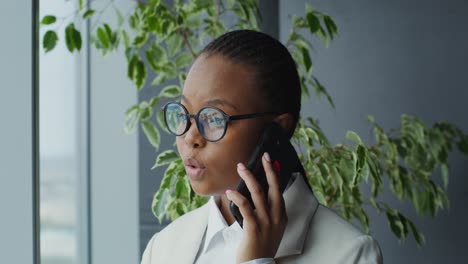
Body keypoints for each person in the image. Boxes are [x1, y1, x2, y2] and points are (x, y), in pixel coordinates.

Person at [141, 30, 383, 264]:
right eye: (184, 113)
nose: (190, 137)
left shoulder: (350, 254)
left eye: (214, 118)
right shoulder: (163, 248)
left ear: (276, 128)